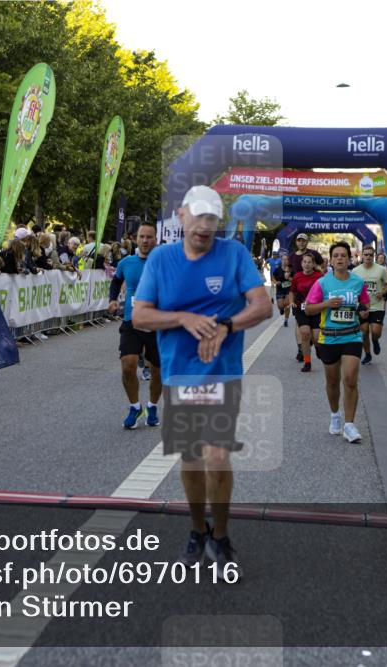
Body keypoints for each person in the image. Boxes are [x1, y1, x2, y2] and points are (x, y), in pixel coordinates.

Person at [133, 185, 270, 579]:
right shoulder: (161, 259)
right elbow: (140, 316)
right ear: (182, 216)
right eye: (199, 218)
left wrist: (227, 326)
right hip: (180, 371)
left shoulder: (234, 254)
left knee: (216, 455)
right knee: (192, 459)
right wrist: (182, 319)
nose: (205, 227)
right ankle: (197, 527)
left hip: (222, 370)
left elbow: (261, 305)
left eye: (212, 219)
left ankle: (221, 536)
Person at [303, 242, 370, 443]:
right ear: (330, 260)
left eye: (343, 255)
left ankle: (349, 425)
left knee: (349, 379)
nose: (340, 258)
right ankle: (335, 415)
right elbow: (308, 309)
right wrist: (326, 304)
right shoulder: (322, 284)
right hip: (329, 337)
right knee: (332, 382)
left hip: (352, 335)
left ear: (349, 259)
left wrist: (364, 311)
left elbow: (364, 305)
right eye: (336, 255)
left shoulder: (358, 282)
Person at [108, 222, 162, 429]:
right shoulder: (126, 262)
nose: (145, 240)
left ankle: (152, 406)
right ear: (136, 239)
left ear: (155, 239)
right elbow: (116, 281)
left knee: (158, 372)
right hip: (131, 320)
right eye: (142, 237)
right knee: (128, 365)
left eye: (149, 237)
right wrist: (113, 299)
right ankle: (135, 407)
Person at [353, 245, 387, 365]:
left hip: (377, 305)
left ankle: (375, 341)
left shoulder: (381, 269)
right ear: (362, 255)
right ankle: (368, 354)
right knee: (364, 332)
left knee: (376, 332)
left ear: (373, 256)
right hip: (363, 306)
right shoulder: (355, 271)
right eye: (366, 254)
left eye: (371, 254)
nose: (368, 257)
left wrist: (383, 292)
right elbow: (352, 287)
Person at [290, 253, 324, 372]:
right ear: (301, 263)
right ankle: (307, 362)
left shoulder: (319, 276)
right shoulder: (297, 276)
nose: (307, 264)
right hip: (301, 309)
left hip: (315, 309)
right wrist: (291, 302)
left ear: (313, 264)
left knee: (316, 337)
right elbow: (292, 291)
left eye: (309, 262)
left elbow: (325, 291)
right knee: (305, 334)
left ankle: (318, 348)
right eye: (305, 262)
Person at [271, 261, 293, 327]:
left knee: (287, 304)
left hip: (289, 290)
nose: (285, 261)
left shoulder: (292, 269)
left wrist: (289, 279)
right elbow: (273, 277)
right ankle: (281, 309)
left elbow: (295, 279)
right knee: (280, 306)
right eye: (284, 259)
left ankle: (286, 320)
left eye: (286, 259)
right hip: (280, 289)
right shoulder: (278, 269)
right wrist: (276, 282)